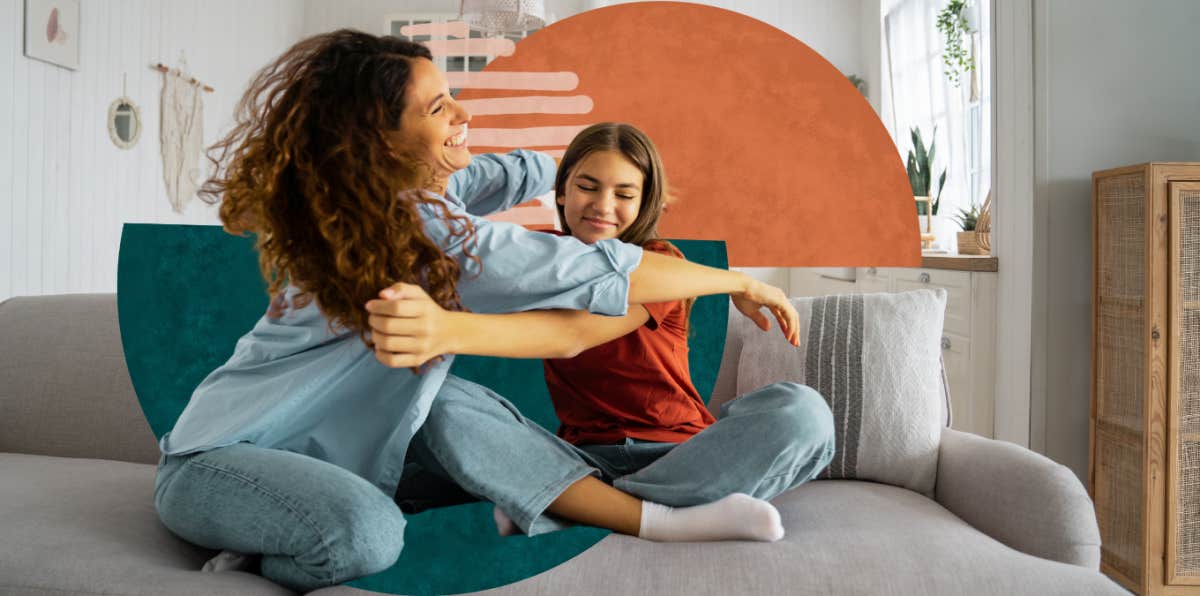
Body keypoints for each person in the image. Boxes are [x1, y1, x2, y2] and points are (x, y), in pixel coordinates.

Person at [153, 30, 801, 592]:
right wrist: (740, 280)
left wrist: (564, 173)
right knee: (369, 535)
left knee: (800, 414)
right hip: (219, 462)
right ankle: (644, 517)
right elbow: (598, 276)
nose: (460, 110)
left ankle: (581, 503)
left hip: (313, 465)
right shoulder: (416, 226)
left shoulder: (389, 201)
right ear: (381, 141)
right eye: (438, 106)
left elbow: (490, 177)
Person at [376, 124, 835, 541]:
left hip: (682, 454)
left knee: (804, 412)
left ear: (643, 203)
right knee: (437, 404)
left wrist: (742, 281)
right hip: (576, 460)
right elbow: (440, 216)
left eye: (624, 194)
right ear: (561, 193)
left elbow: (571, 335)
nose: (602, 206)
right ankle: (625, 509)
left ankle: (581, 506)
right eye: (587, 186)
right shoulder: (541, 257)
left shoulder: (661, 264)